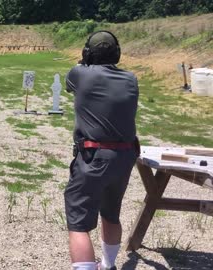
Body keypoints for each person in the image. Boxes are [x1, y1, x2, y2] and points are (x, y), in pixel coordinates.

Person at [64, 31, 140, 270]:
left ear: (87, 53)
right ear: (117, 54)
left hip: (93, 157)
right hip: (124, 157)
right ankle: (108, 265)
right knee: (110, 213)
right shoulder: (130, 78)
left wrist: (83, 61)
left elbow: (70, 85)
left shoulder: (79, 74)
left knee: (78, 223)